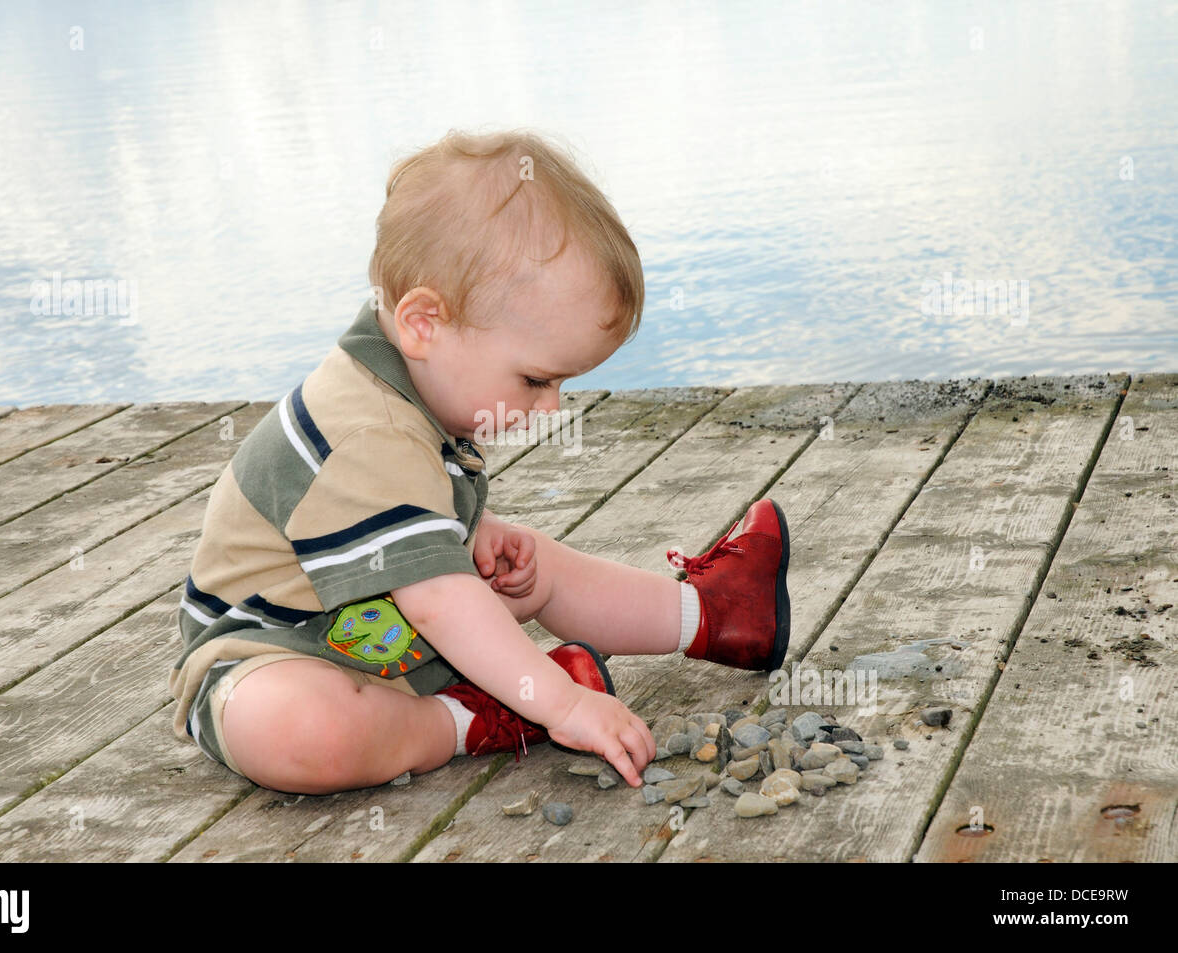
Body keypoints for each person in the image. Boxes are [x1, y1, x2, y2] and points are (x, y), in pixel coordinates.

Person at [168, 128, 789, 795]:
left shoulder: (422, 380)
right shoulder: (364, 429)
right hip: (275, 655)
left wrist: (473, 525)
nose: (550, 406)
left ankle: (714, 612)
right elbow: (437, 600)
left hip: (381, 639)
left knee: (525, 564)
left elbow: (416, 516)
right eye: (534, 379)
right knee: (299, 728)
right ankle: (470, 717)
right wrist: (562, 701)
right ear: (424, 323)